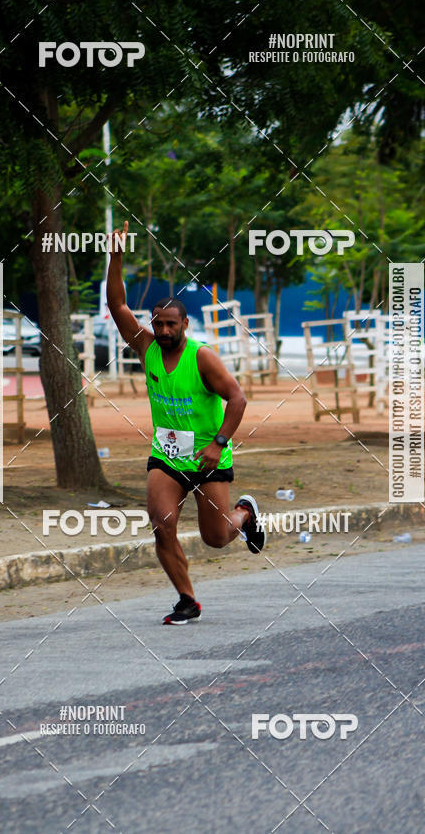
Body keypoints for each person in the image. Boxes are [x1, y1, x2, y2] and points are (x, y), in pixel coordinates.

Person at [106, 221, 265, 625]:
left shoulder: (202, 357)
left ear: (184, 325)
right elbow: (117, 306)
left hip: (208, 458)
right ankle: (186, 599)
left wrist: (218, 443)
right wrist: (116, 257)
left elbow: (237, 398)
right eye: (157, 323)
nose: (162, 330)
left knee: (215, 538)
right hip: (167, 457)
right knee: (162, 524)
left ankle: (245, 513)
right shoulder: (146, 348)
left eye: (170, 324)